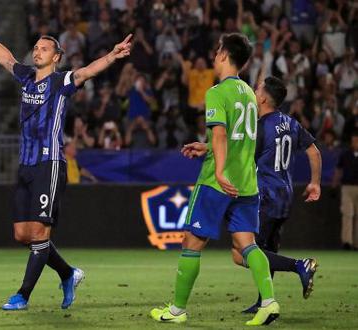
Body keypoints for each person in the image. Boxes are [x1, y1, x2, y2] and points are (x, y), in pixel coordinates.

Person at [0, 12, 131, 310]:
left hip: (50, 163)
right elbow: (6, 59)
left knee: (41, 233)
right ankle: (68, 273)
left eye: (44, 48)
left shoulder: (61, 81)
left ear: (56, 57)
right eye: (36, 47)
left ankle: (22, 296)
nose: (37, 51)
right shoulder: (26, 77)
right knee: (22, 234)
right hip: (26, 165)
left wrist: (112, 56)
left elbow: (86, 72)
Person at [149, 33, 279, 326]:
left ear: (223, 55)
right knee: (248, 244)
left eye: (217, 50)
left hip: (216, 182)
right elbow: (240, 137)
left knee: (191, 242)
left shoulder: (217, 92)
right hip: (246, 181)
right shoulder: (249, 93)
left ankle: (178, 310)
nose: (214, 55)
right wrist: (206, 145)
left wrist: (218, 169)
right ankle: (269, 303)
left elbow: (221, 133)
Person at [181, 76, 322, 314]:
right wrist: (315, 183)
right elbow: (314, 152)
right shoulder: (291, 123)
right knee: (267, 248)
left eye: (257, 90)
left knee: (241, 253)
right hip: (286, 195)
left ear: (264, 98)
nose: (254, 93)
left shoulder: (260, 127)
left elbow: (236, 148)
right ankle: (263, 301)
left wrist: (207, 148)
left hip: (265, 192)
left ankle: (300, 266)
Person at [333, 131, 358, 250]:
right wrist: (334, 184)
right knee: (347, 214)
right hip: (347, 187)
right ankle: (347, 242)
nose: (355, 143)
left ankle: (356, 243)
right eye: (353, 141)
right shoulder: (346, 154)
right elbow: (338, 170)